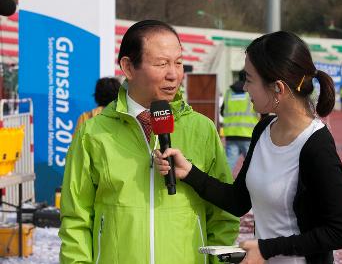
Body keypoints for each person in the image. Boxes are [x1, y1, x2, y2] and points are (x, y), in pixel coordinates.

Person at [155, 31, 342, 264]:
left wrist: (266, 248)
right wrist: (189, 172)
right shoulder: (263, 129)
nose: (245, 88)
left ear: (277, 88)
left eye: (250, 79)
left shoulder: (316, 145)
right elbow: (238, 201)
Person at [59, 20, 239, 264]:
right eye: (162, 63)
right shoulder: (93, 133)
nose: (173, 74)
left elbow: (222, 216)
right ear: (128, 67)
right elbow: (75, 219)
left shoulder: (203, 129)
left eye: (178, 62)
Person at [220, 70, 259, 170]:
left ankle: (225, 184)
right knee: (253, 165)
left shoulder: (229, 92)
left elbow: (222, 112)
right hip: (248, 135)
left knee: (228, 165)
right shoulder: (251, 92)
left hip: (231, 134)